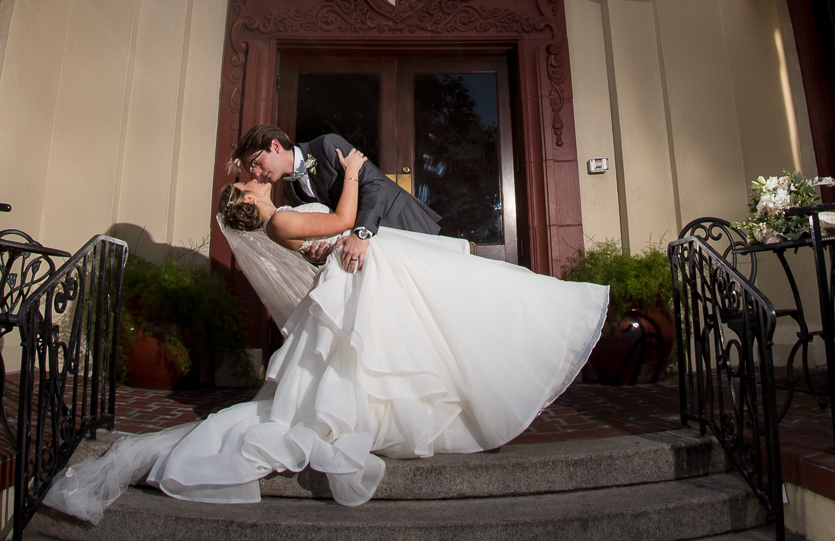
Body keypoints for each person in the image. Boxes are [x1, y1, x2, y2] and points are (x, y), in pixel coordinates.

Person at [45, 156, 607, 521]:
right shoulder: (281, 222)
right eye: (248, 184)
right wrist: (357, 170)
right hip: (356, 261)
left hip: (349, 268)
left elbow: (319, 231)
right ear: (248, 205)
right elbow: (342, 217)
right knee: (437, 313)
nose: (254, 180)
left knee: (424, 322)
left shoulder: (275, 217)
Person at [232, 123, 441, 273]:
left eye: (256, 162)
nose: (257, 173)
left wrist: (361, 234)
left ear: (275, 146)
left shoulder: (326, 145)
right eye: (252, 169)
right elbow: (328, 228)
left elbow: (375, 184)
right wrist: (318, 256)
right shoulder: (292, 192)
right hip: (370, 257)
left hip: (399, 224)